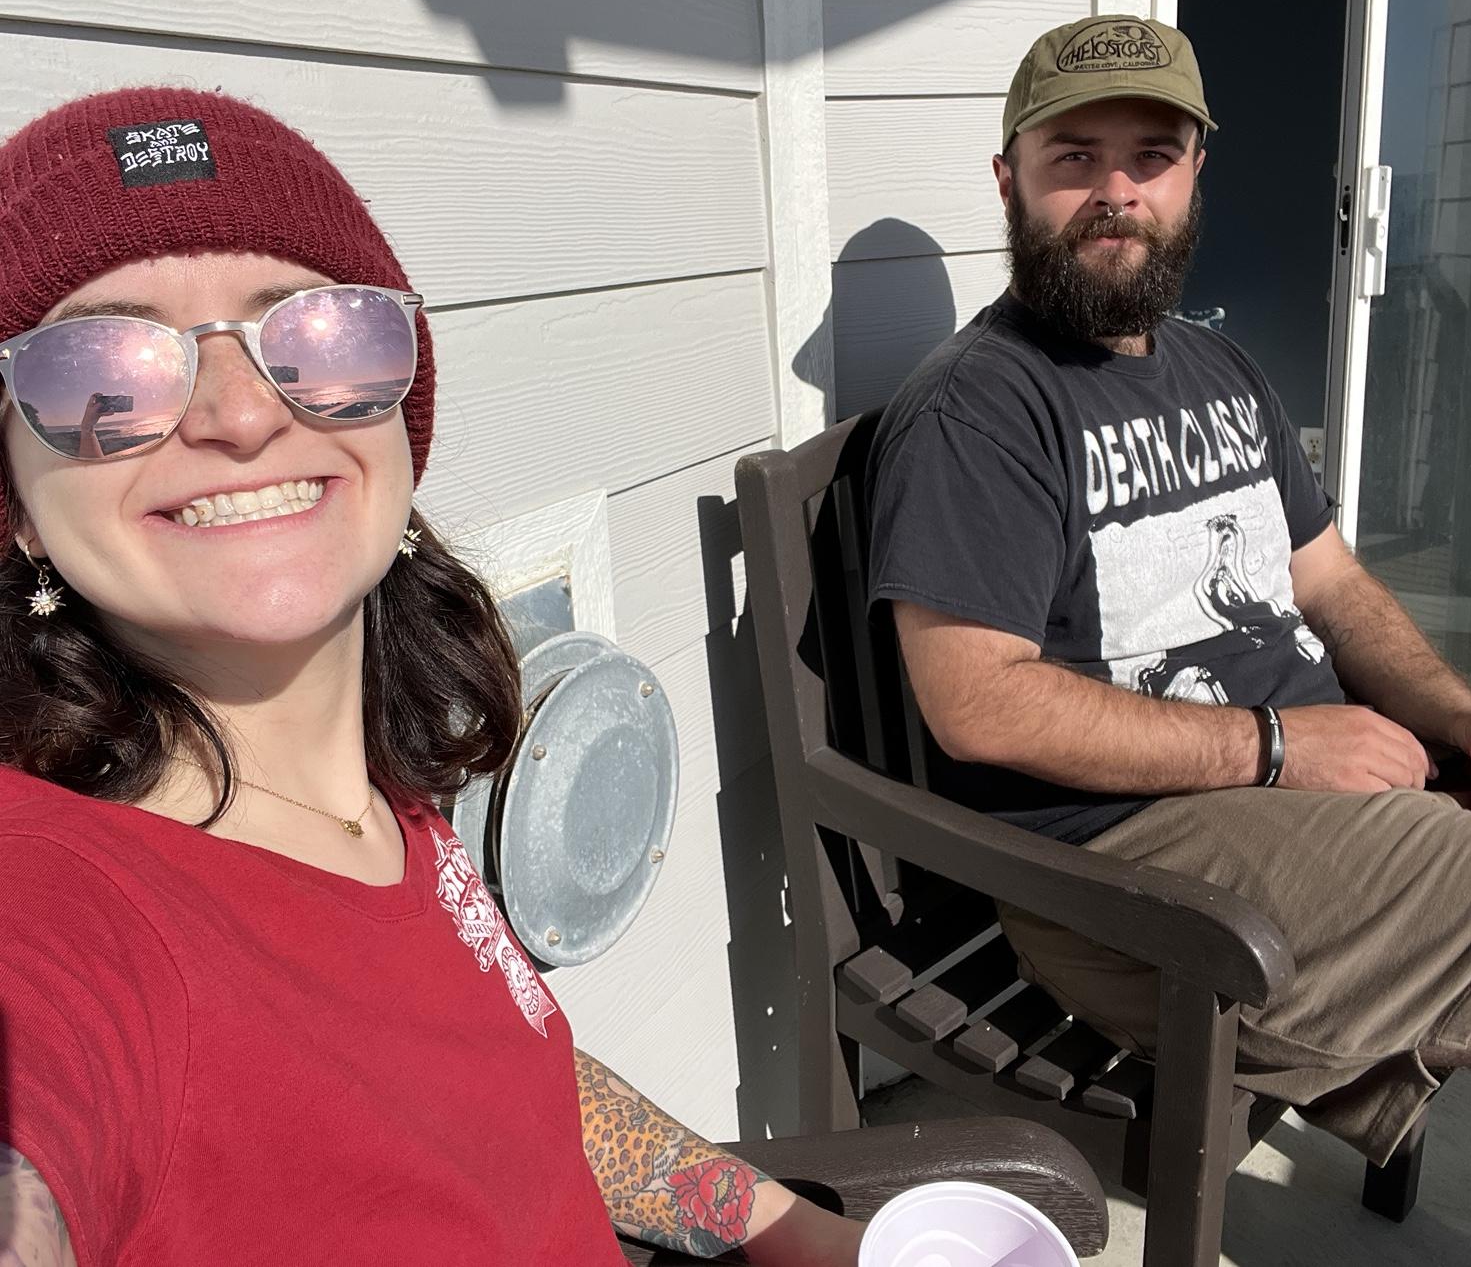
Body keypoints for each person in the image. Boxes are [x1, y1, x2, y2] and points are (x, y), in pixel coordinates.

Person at [0, 88, 866, 1266]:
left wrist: (792, 1229)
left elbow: (502, 1073)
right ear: (18, 507)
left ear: (396, 422)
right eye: (103, 366)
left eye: (318, 332)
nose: (241, 414)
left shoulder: (381, 790)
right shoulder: (63, 906)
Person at [865, 14, 1471, 1167]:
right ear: (1009, 181)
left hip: (1309, 806)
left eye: (1150, 157)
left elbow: (1330, 580)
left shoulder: (1222, 366)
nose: (1117, 191)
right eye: (1075, 158)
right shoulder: (982, 410)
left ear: (1194, 174)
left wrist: (1462, 718)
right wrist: (1280, 746)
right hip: (1129, 876)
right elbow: (976, 703)